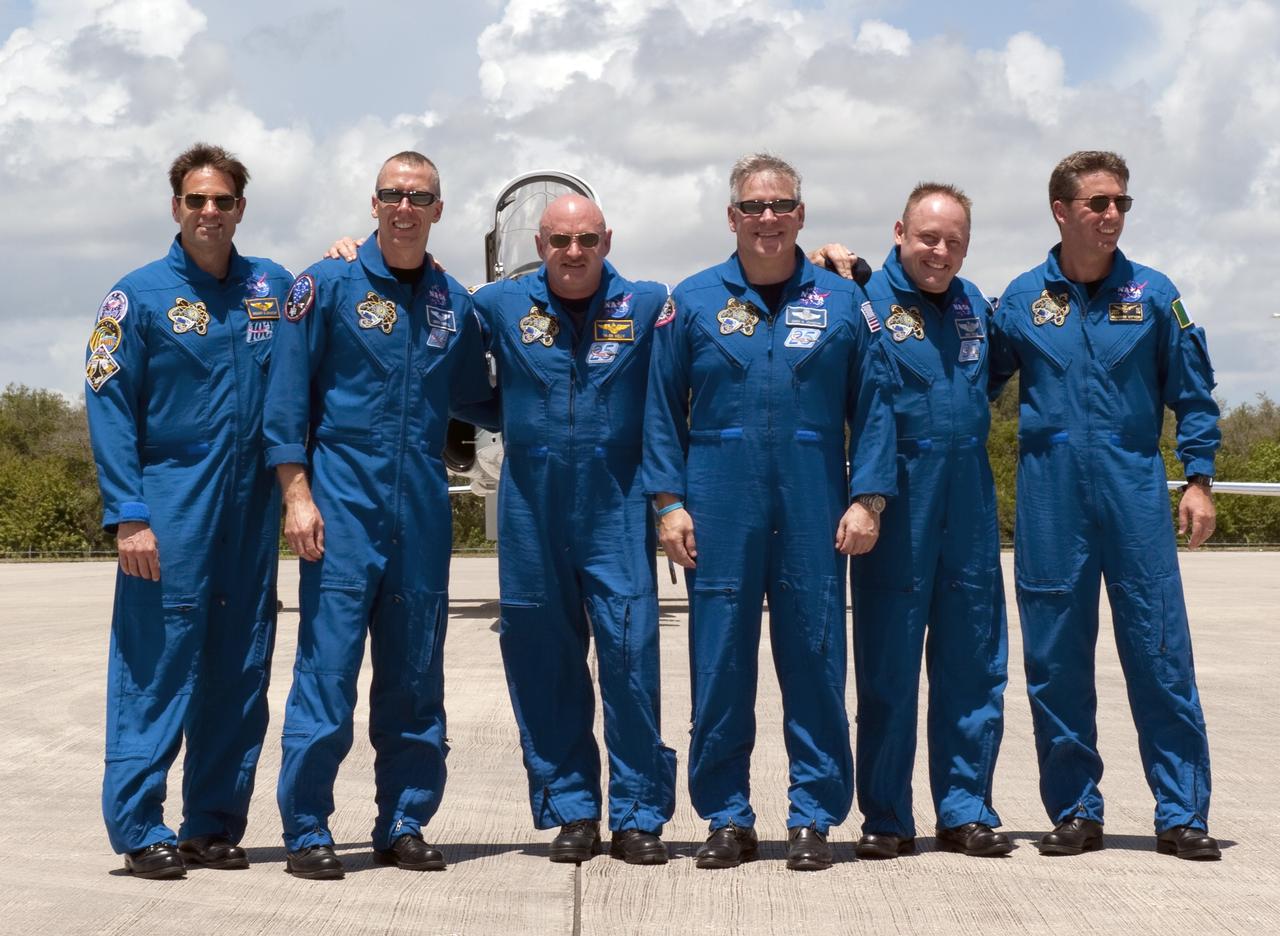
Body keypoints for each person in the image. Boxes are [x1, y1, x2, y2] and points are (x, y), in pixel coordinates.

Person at [643, 153, 897, 871]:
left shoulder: (844, 303)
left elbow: (875, 407)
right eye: (753, 207)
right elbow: (659, 411)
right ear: (732, 217)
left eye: (780, 205)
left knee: (816, 658)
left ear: (801, 215)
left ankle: (813, 815)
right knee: (719, 662)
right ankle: (727, 815)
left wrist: (867, 498)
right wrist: (667, 503)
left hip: (815, 499)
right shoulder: (690, 301)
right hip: (718, 500)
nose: (767, 218)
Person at [265, 151, 491, 879]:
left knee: (417, 676)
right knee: (326, 675)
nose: (405, 207)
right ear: (373, 203)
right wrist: (298, 497)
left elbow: (481, 397)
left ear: (438, 209)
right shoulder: (324, 284)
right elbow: (287, 402)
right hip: (341, 505)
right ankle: (307, 828)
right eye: (393, 194)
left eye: (419, 196)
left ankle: (405, 821)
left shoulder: (452, 302)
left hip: (420, 510)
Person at [989, 150, 1221, 860]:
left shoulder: (1155, 295)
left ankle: (1181, 813)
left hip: (1133, 487)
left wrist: (1200, 477)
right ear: (1061, 210)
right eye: (1098, 203)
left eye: (1121, 201)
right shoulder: (1022, 298)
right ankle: (1076, 810)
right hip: (1050, 492)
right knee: (1056, 657)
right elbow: (967, 378)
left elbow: (1192, 390)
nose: (1112, 214)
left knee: (1159, 650)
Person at [85, 142, 291, 879]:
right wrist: (129, 513)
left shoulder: (272, 288)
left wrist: (344, 251)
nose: (210, 212)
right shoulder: (135, 298)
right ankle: (142, 828)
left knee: (240, 665)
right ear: (176, 207)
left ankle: (211, 825)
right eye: (196, 200)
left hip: (251, 511)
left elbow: (330, 315)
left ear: (240, 208)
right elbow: (107, 404)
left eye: (224, 201)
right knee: (156, 665)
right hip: (170, 505)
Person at [465, 195, 677, 866]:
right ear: (540, 240)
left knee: (631, 659)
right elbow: (440, 343)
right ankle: (573, 810)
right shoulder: (499, 305)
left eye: (587, 239)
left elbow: (680, 384)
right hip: (532, 508)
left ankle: (639, 813)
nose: (574, 252)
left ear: (607, 239)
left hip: (617, 506)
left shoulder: (648, 304)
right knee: (542, 662)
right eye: (560, 240)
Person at [814, 185, 1011, 859]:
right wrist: (818, 265)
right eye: (929, 237)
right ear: (899, 231)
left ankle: (965, 810)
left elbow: (983, 384)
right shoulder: (858, 300)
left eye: (954, 240)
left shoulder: (972, 306)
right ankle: (887, 816)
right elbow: (802, 312)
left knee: (974, 666)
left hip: (970, 505)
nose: (941, 250)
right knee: (888, 668)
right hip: (895, 501)